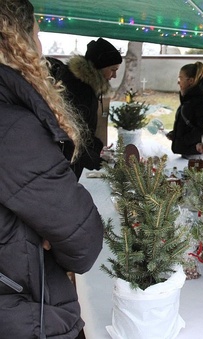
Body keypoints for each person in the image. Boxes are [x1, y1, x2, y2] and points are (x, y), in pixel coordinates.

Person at [0, 1, 104, 338]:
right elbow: (83, 239)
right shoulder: (12, 128)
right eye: (37, 33)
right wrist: (45, 229)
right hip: (24, 311)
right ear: (20, 41)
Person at [48, 37, 122, 180]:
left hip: (72, 159)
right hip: (66, 161)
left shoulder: (86, 86)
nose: (114, 75)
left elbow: (84, 128)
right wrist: (95, 160)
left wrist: (96, 147)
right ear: (100, 66)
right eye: (112, 70)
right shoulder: (79, 90)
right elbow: (71, 134)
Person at [166, 61, 203, 159]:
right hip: (189, 153)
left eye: (181, 78)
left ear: (191, 81)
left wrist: (181, 140)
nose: (178, 81)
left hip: (196, 156)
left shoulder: (201, 100)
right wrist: (175, 135)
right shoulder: (190, 99)